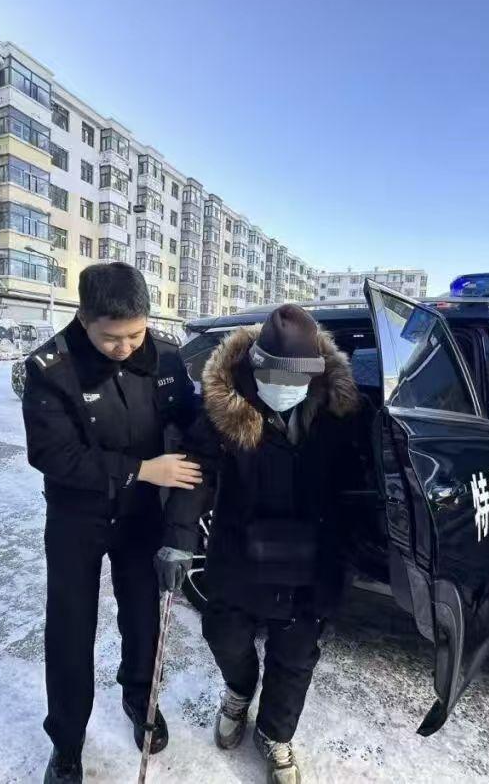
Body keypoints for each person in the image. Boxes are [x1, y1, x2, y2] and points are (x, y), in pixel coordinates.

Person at [157, 304, 365, 784]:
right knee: (224, 635)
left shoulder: (340, 411)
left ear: (314, 374)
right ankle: (238, 690)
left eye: (296, 379)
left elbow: (359, 485)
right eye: (274, 377)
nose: (284, 388)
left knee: (295, 656)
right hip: (239, 548)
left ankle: (275, 734)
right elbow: (195, 471)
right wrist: (178, 540)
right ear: (255, 368)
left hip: (310, 555)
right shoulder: (226, 407)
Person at [21, 262, 200, 784]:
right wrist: (142, 468)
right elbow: (53, 454)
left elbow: (186, 422)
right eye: (111, 338)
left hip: (141, 513)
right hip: (77, 516)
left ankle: (140, 699)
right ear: (84, 319)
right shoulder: (51, 367)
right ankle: (67, 741)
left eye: (134, 335)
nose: (124, 347)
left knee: (142, 615)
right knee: (70, 627)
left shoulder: (165, 355)